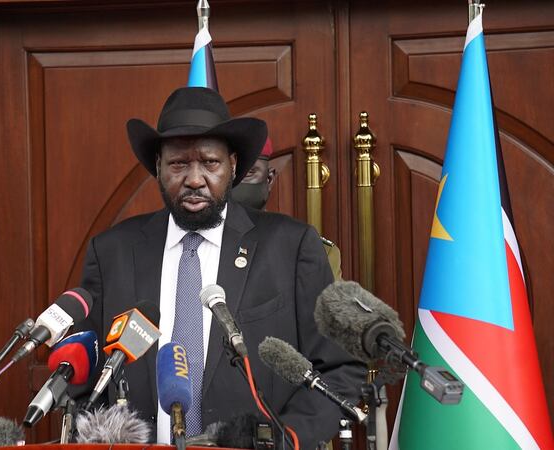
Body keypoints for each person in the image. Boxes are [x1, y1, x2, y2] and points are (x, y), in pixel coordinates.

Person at [77, 87, 364, 448]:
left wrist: (282, 441)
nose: (194, 179)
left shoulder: (290, 248)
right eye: (179, 163)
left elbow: (339, 369)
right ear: (158, 167)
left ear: (232, 166)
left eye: (209, 163)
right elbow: (82, 380)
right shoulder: (111, 252)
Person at [230, 137, 343, 281]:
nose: (236, 184)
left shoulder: (310, 252)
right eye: (230, 174)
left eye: (247, 173)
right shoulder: (197, 247)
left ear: (269, 179)